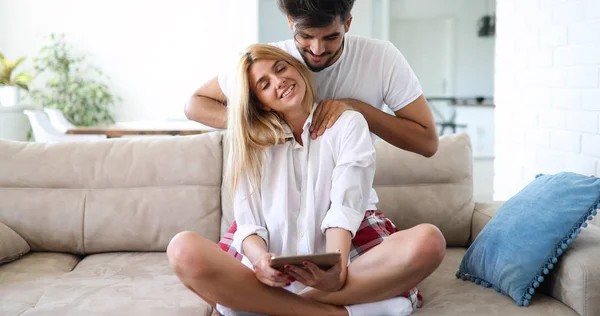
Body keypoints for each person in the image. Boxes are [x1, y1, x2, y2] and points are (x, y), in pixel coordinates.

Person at [185, 0, 446, 311]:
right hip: (272, 224)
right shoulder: (265, 62)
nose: (317, 49)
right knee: (184, 250)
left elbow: (422, 146)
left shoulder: (373, 72)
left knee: (428, 241)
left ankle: (280, 306)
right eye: (305, 37)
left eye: (331, 37)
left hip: (345, 219)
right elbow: (195, 104)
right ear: (289, 25)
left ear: (348, 23)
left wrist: (355, 107)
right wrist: (257, 124)